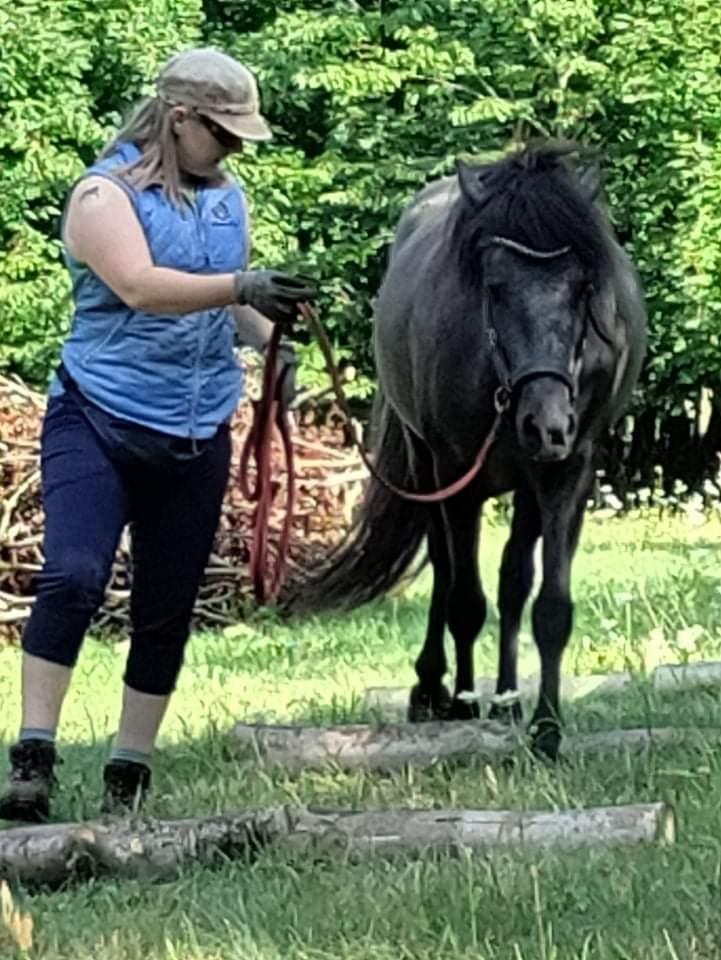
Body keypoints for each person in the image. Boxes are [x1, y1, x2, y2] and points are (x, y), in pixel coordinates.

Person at [0, 47, 317, 822]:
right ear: (179, 120)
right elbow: (141, 288)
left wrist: (269, 333)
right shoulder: (101, 197)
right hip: (98, 417)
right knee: (73, 575)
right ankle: (33, 758)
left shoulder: (225, 200)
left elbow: (222, 301)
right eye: (224, 132)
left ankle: (128, 775)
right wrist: (242, 285)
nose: (237, 148)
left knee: (166, 602)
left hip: (196, 422)